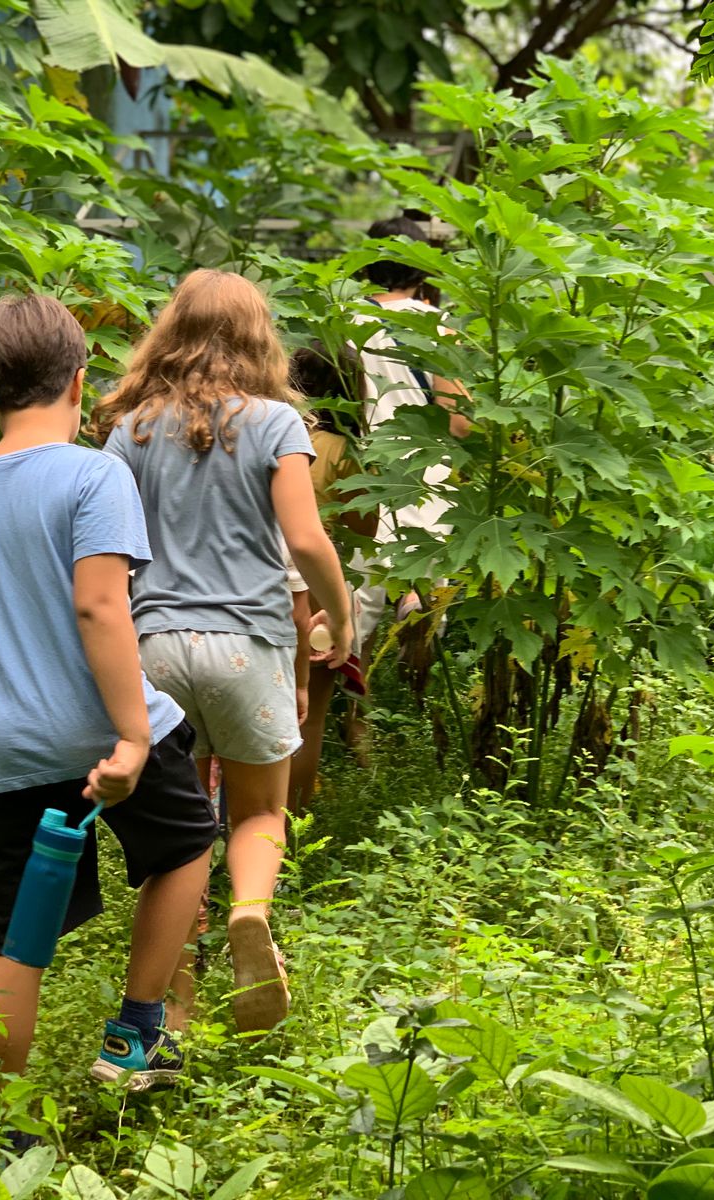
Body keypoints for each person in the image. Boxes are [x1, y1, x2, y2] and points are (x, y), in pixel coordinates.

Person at [0, 293, 216, 1092]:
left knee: (17, 942)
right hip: (104, 726)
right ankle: (137, 1035)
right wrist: (131, 738)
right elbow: (99, 605)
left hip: (6, 747)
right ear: (81, 382)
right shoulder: (96, 476)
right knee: (188, 842)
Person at [92, 269, 354, 1032]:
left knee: (176, 842)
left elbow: (107, 555)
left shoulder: (130, 430)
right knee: (260, 810)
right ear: (258, 338)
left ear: (169, 332)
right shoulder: (278, 424)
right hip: (251, 644)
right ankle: (248, 910)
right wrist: (339, 617)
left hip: (156, 653)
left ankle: (172, 1010)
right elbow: (304, 539)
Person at [351, 215, 470, 656]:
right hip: (423, 478)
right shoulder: (437, 327)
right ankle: (415, 691)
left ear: (366, 267)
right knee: (420, 582)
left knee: (354, 607)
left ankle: (356, 720)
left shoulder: (341, 321)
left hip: (358, 476)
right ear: (420, 269)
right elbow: (458, 421)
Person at [286, 344, 376, 812]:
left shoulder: (269, 438)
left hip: (265, 589)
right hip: (322, 593)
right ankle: (290, 829)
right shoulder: (345, 452)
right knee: (309, 718)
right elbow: (365, 532)